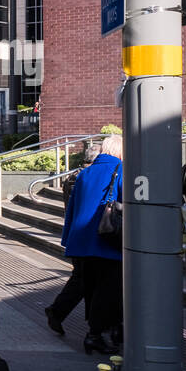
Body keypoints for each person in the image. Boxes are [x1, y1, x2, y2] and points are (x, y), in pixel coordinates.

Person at [60, 134, 123, 354]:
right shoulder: (122, 170)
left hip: (82, 242)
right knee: (109, 290)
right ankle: (96, 335)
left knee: (92, 289)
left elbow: (72, 209)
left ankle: (96, 333)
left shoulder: (84, 174)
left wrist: (67, 239)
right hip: (107, 241)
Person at [45, 142, 99, 336]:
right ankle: (58, 312)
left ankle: (58, 311)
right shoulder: (83, 178)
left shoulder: (74, 177)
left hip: (77, 236)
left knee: (82, 279)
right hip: (85, 236)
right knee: (83, 281)